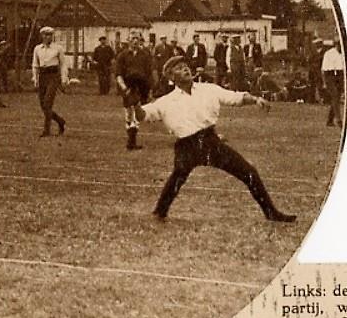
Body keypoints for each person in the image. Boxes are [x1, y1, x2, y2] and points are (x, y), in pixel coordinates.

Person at [132, 55, 296, 223]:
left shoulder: (208, 89)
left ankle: (271, 213)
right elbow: (144, 115)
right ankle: (159, 212)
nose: (185, 69)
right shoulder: (165, 102)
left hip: (210, 141)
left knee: (249, 172)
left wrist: (256, 99)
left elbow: (235, 97)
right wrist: (135, 104)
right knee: (177, 178)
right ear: (171, 77)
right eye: (179, 68)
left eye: (185, 65)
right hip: (186, 146)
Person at [115, 31, 153, 150]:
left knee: (137, 111)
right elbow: (118, 74)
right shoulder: (122, 55)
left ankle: (132, 141)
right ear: (128, 40)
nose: (135, 41)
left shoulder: (145, 55)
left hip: (141, 86)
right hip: (128, 86)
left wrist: (149, 90)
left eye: (137, 38)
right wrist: (123, 87)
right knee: (128, 112)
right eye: (133, 39)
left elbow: (149, 73)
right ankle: (131, 140)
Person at [32, 26, 68, 137]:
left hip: (53, 76)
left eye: (50, 35)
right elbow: (35, 65)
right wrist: (35, 78)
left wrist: (64, 78)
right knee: (43, 106)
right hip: (42, 76)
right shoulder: (37, 48)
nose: (48, 37)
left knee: (47, 103)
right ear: (42, 36)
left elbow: (63, 64)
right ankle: (60, 121)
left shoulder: (58, 48)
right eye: (46, 35)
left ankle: (46, 130)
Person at [321, 39, 344, 127]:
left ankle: (329, 120)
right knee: (334, 95)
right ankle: (339, 120)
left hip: (339, 75)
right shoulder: (329, 54)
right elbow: (323, 70)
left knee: (336, 98)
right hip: (329, 75)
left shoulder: (343, 54)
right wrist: (324, 82)